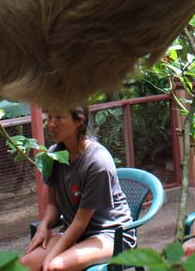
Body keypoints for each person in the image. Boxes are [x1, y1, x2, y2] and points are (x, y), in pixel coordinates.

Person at [21, 108, 135, 271]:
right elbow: (53, 206)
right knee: (26, 264)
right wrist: (44, 226)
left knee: (55, 267)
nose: (51, 124)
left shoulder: (97, 162)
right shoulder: (53, 156)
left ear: (79, 121)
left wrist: (52, 256)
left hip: (111, 236)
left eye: (59, 117)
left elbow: (81, 221)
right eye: (50, 117)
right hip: (73, 232)